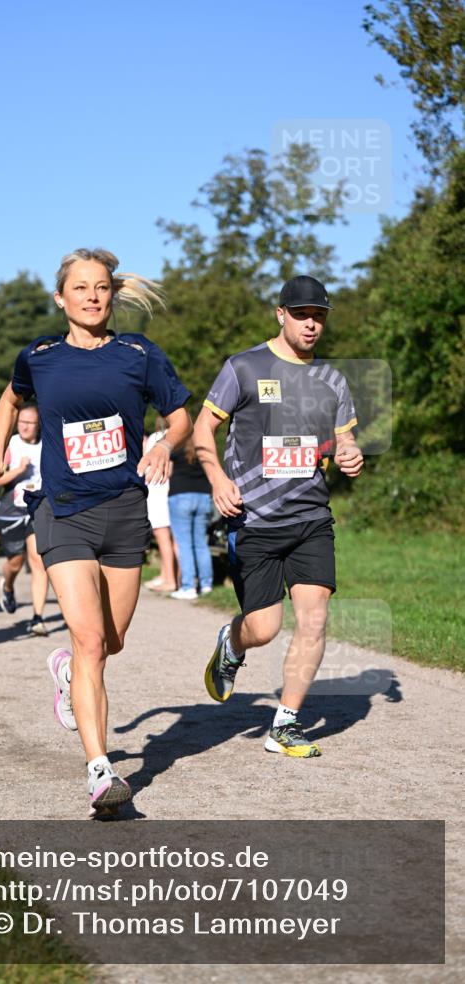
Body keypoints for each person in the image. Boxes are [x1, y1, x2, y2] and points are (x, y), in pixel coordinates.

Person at [0, 248, 192, 813]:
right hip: (64, 511)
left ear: (112, 294)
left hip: (124, 510)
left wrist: (165, 446)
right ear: (60, 298)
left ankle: (68, 671)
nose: (92, 296)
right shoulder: (40, 357)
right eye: (80, 287)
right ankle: (101, 770)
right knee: (92, 640)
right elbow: (9, 399)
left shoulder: (138, 354)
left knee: (111, 642)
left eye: (101, 287)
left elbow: (179, 417)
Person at [195, 275, 364, 757]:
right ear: (281, 314)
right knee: (264, 628)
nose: (311, 324)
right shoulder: (244, 367)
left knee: (314, 618)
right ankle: (233, 642)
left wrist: (350, 453)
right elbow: (203, 429)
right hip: (255, 519)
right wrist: (217, 479)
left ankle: (285, 724)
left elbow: (345, 439)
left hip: (311, 517)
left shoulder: (332, 380)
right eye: (302, 315)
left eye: (319, 316)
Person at [0, 403, 51, 635]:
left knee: (38, 561)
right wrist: (18, 470)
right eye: (22, 422)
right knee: (15, 562)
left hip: (37, 508)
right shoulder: (10, 444)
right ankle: (8, 586)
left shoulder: (48, 444)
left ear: (39, 425)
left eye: (30, 423)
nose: (25, 427)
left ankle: (37, 617)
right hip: (12, 510)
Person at [168, 438, 214, 600]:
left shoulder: (176, 449)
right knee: (201, 543)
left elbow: (168, 472)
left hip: (180, 496)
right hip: (203, 497)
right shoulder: (204, 450)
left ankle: (188, 587)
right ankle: (206, 585)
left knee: (184, 544)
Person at [143, 418, 178, 593]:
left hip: (157, 491)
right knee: (174, 539)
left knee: (163, 538)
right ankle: (171, 576)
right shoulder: (178, 437)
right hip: (172, 491)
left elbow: (145, 464)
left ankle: (169, 579)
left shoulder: (156, 438)